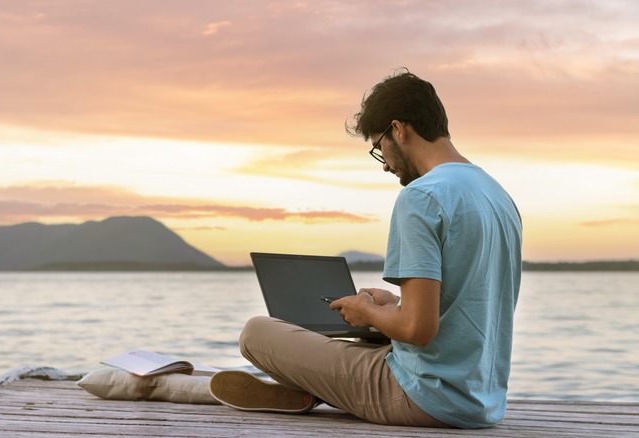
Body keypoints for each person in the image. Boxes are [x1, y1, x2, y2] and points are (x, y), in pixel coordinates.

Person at [208, 69, 523, 429]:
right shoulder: (497, 195)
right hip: (481, 400)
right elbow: (469, 307)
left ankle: (309, 388)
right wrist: (394, 306)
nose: (386, 164)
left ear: (398, 130)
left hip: (422, 395)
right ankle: (311, 388)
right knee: (362, 344)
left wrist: (366, 312)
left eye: (379, 148)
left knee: (257, 333)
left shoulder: (421, 196)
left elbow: (419, 330)